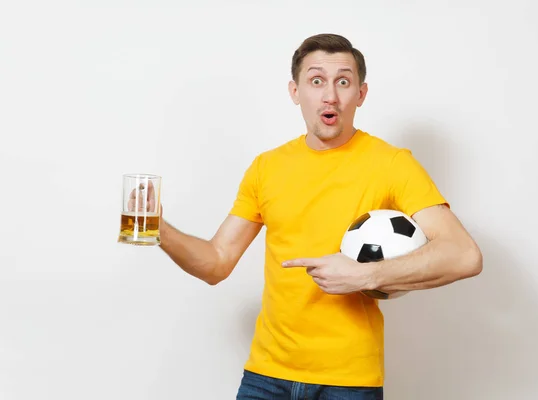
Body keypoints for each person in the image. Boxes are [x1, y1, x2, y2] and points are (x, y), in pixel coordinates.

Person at [156, 33, 483, 399]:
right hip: (266, 376)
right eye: (316, 81)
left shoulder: (392, 164)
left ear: (361, 94)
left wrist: (365, 273)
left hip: (349, 382)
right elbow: (216, 263)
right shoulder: (266, 168)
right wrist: (159, 229)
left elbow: (463, 255)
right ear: (296, 92)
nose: (330, 95)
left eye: (343, 82)